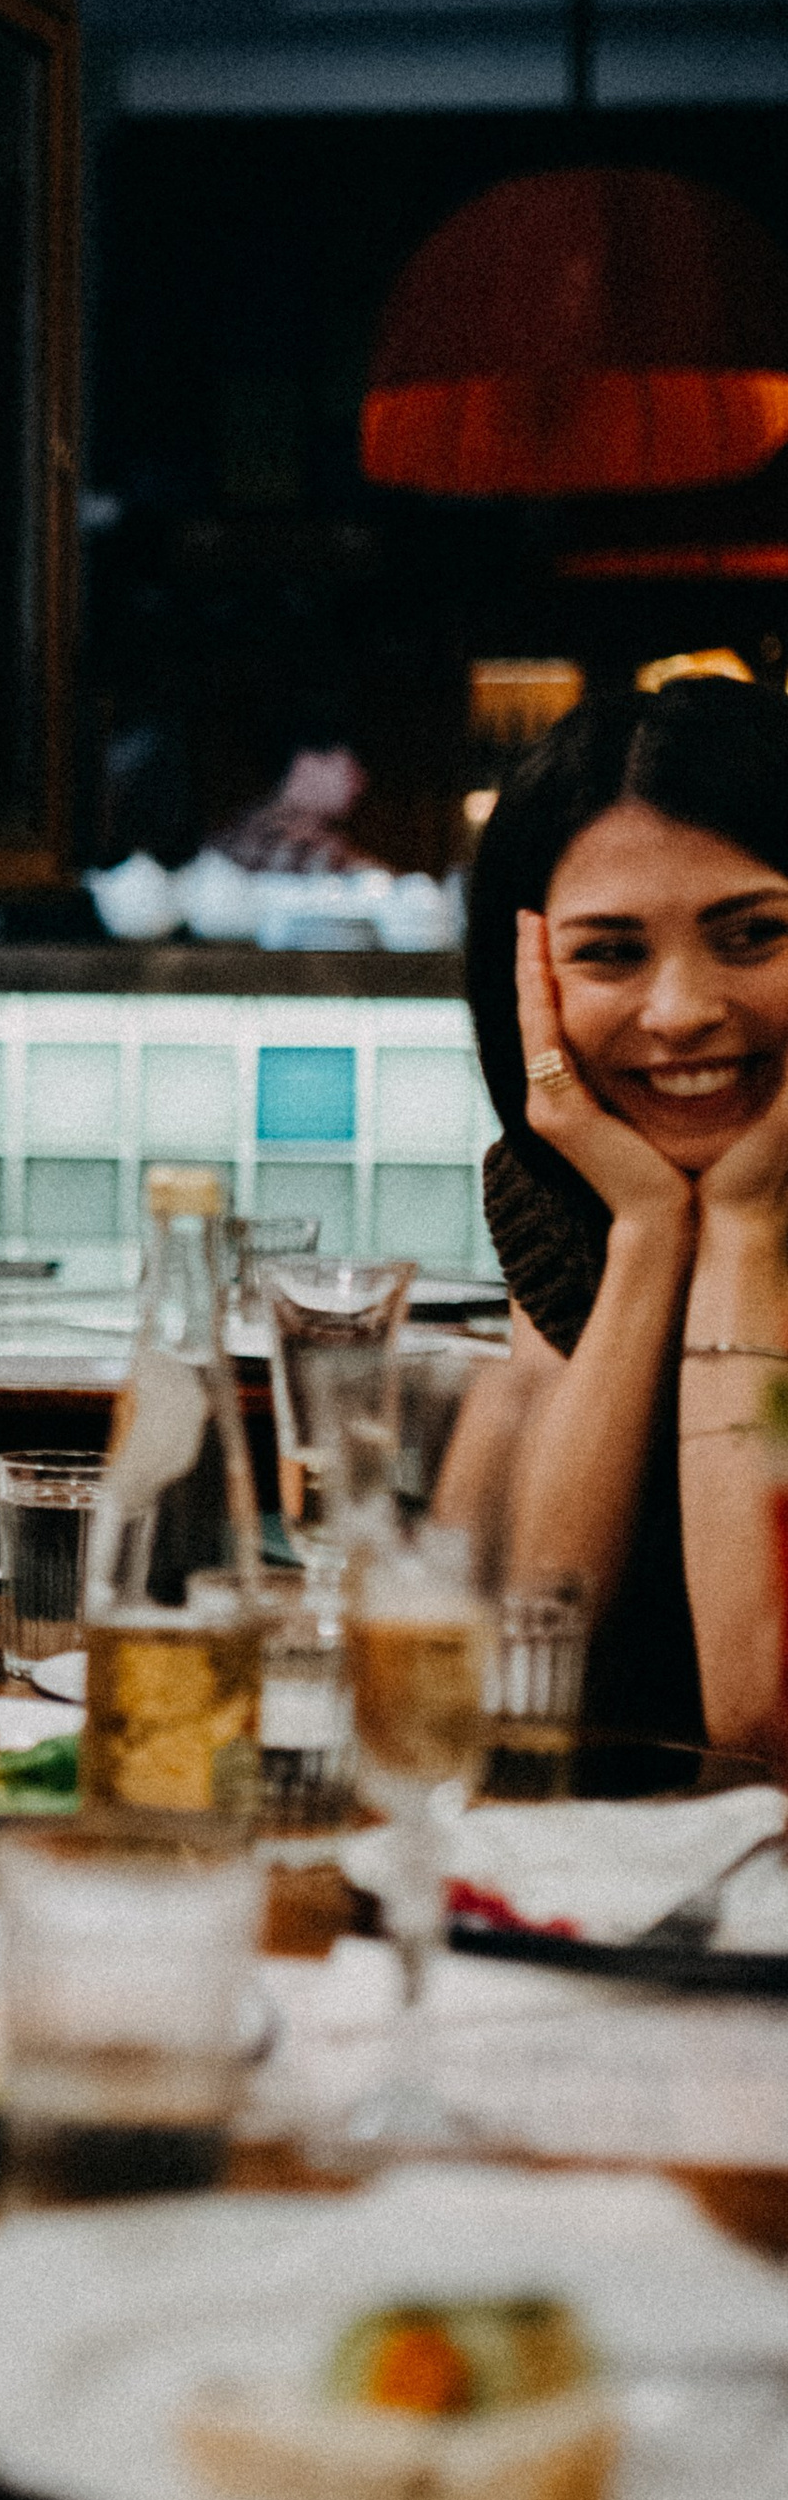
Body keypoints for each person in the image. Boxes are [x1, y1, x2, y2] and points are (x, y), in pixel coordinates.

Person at [463, 676, 788, 1745]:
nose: (681, 1010)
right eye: (609, 952)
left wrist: (744, 1231)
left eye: (752, 934)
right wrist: (652, 1235)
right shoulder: (570, 1186)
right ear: (530, 979)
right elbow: (534, 1661)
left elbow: (761, 1712)